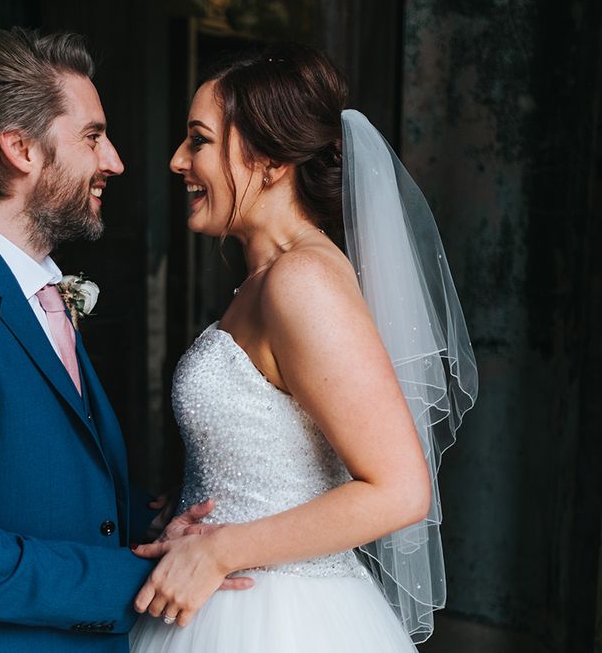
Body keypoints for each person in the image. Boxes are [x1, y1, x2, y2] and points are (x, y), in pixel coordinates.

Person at [0, 28, 249, 653]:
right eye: (93, 137)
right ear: (19, 149)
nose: (115, 161)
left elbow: (47, 486)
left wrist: (155, 529)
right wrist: (148, 576)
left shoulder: (38, 292)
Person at [129, 43, 477, 651]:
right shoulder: (263, 281)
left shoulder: (302, 281)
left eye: (200, 140)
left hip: (278, 621)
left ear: (268, 162)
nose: (177, 160)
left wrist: (222, 550)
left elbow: (400, 489)